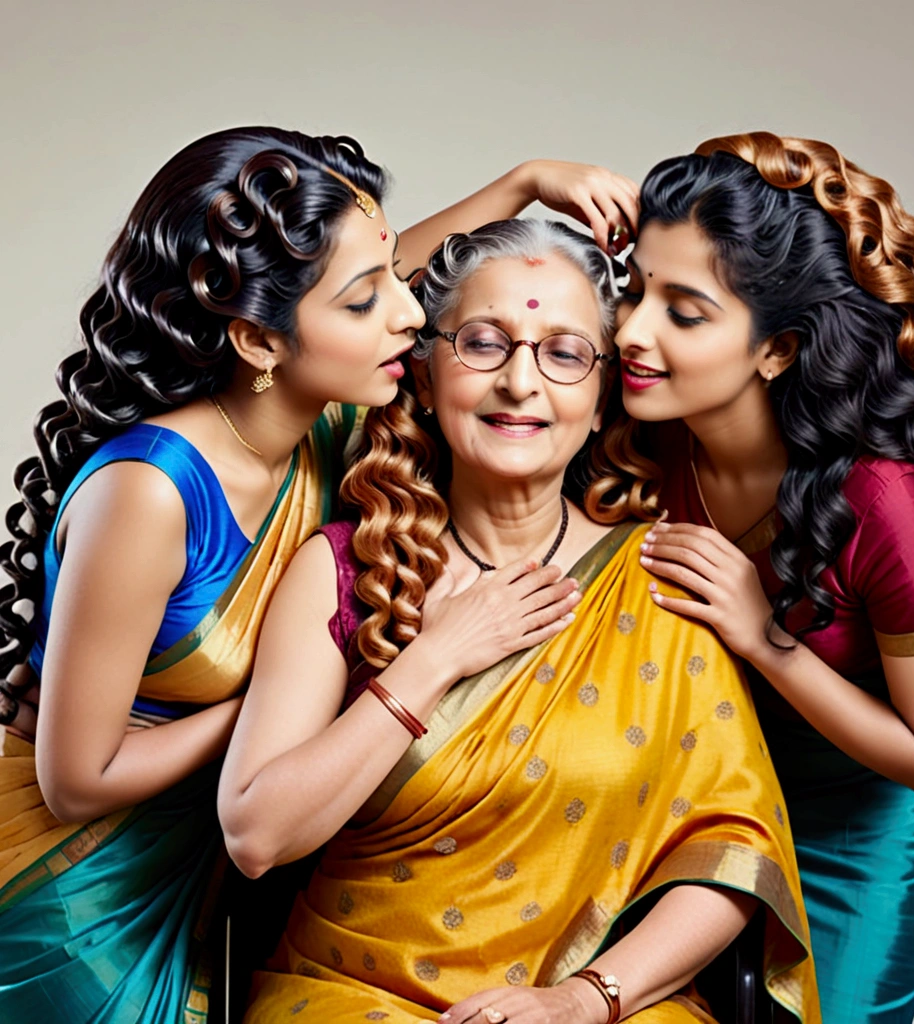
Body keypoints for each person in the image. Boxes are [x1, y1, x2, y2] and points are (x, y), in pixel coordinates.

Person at [0, 125, 639, 1023]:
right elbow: (76, 779)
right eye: (367, 302)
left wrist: (524, 183)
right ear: (260, 341)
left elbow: (360, 280)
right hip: (73, 902)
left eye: (392, 284)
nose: (411, 315)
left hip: (200, 869)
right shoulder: (150, 492)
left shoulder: (315, 428)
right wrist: (274, 702)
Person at [217, 218, 820, 1024]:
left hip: (601, 1006)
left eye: (565, 352)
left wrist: (583, 999)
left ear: (604, 392)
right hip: (355, 994)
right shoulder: (345, 571)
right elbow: (256, 838)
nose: (520, 382)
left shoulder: (663, 576)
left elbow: (735, 856)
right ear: (425, 376)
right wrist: (433, 659)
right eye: (483, 343)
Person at [613, 132, 914, 1023]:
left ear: (777, 349)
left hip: (859, 827)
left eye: (683, 311)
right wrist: (521, 182)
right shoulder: (644, 431)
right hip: (701, 805)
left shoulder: (889, 504)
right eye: (636, 287)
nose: (630, 332)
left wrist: (764, 636)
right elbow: (370, 325)